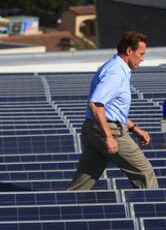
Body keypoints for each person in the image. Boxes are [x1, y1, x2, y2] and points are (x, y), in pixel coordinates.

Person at [66, 31, 159, 190]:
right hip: (108, 130)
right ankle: (153, 209)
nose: (142, 59)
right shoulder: (115, 72)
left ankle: (64, 208)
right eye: (141, 54)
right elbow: (95, 104)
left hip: (95, 127)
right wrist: (109, 137)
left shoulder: (116, 67)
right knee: (144, 172)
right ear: (129, 51)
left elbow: (111, 107)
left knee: (86, 177)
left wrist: (133, 127)